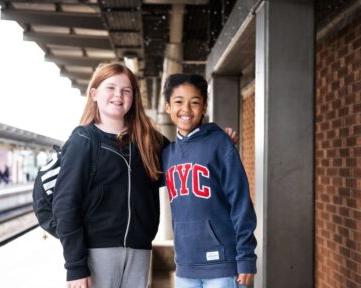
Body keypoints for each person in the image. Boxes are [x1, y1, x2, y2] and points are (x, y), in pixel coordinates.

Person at [53, 63, 239, 288]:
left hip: (139, 253)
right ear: (94, 94)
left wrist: (217, 137)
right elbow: (65, 205)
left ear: (134, 97)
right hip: (96, 253)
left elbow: (187, 151)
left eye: (126, 90)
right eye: (110, 88)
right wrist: (75, 265)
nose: (118, 95)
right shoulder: (83, 141)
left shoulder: (149, 141)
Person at [162, 73, 257, 288]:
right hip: (185, 265)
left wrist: (246, 258)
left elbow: (240, 203)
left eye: (195, 102)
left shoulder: (220, 144)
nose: (186, 109)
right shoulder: (167, 154)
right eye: (178, 101)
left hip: (223, 264)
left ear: (204, 107)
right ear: (167, 106)